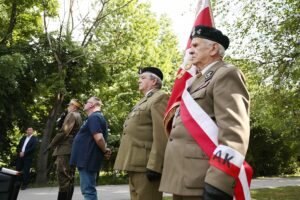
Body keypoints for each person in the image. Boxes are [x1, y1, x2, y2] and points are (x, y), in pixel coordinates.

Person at [159, 25, 250, 200]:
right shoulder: (194, 82)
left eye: (195, 45)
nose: (189, 50)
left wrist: (219, 181)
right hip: (182, 177)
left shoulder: (226, 74)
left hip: (203, 178)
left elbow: (234, 133)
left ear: (213, 48)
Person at [114, 67, 169, 200]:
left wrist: (155, 165)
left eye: (143, 78)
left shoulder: (160, 97)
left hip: (146, 165)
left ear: (154, 81)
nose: (139, 80)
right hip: (135, 163)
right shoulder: (143, 101)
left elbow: (161, 134)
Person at [70, 96, 111, 200]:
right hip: (86, 159)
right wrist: (105, 149)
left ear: (91, 105)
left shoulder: (94, 117)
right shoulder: (95, 117)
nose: (84, 104)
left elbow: (99, 138)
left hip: (87, 159)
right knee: (88, 190)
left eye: (86, 102)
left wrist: (105, 150)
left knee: (88, 191)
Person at [46, 99, 83, 200]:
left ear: (74, 107)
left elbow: (63, 132)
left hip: (65, 149)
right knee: (69, 178)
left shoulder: (72, 115)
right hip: (72, 149)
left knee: (63, 178)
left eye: (69, 105)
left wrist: (51, 145)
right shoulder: (79, 116)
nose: (68, 107)